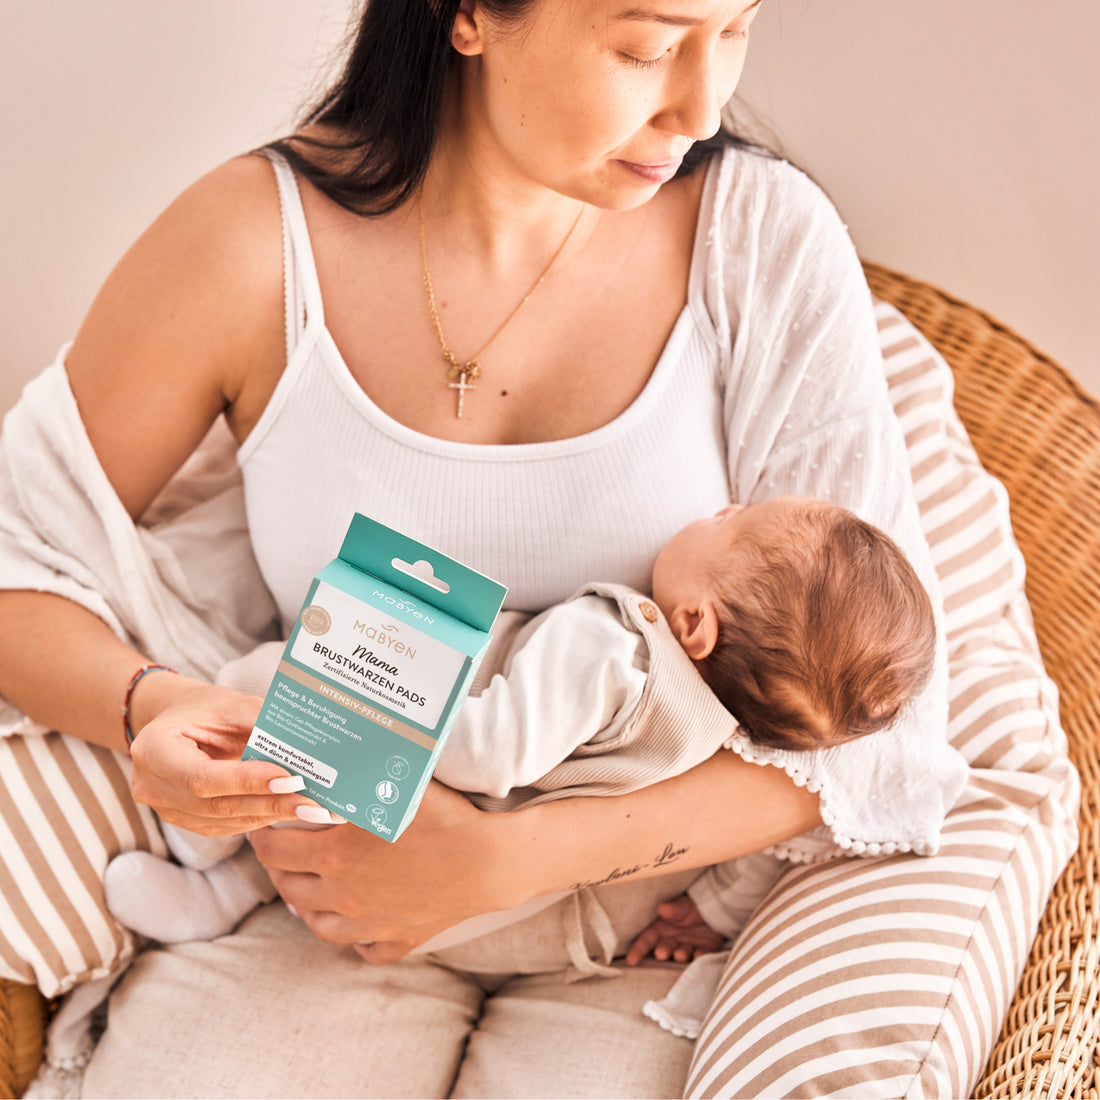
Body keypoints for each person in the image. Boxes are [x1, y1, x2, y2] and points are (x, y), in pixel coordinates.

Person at [0, 0, 972, 1095]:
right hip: (317, 900)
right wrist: (155, 706)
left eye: (738, 28)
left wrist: (505, 860)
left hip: (634, 923)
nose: (702, 105)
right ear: (467, 13)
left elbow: (871, 731)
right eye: (648, 45)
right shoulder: (246, 244)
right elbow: (15, 562)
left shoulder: (756, 241)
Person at [102, 495, 937, 953]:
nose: (717, 505)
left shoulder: (614, 648)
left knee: (258, 678)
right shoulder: (721, 738)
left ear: (692, 625)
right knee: (307, 819)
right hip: (482, 906)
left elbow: (490, 751)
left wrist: (376, 696)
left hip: (440, 818)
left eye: (731, 519)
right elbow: (758, 854)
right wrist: (715, 911)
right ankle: (226, 894)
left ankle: (204, 839)